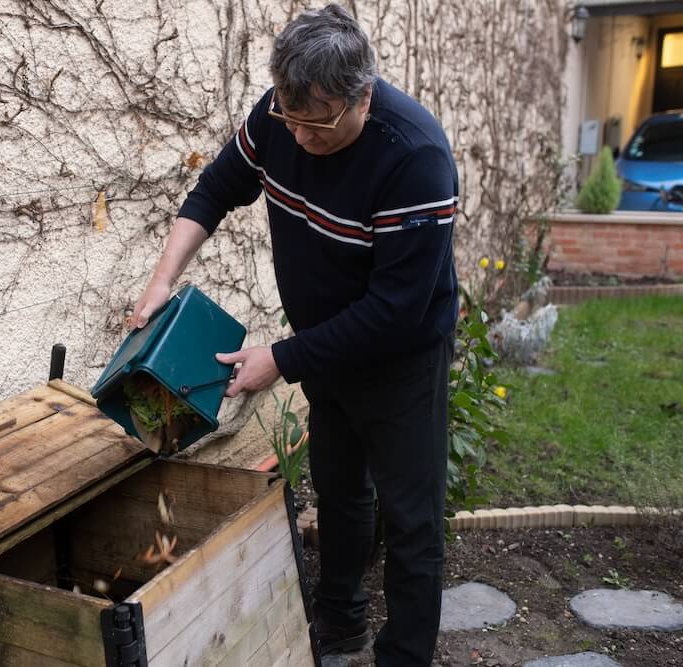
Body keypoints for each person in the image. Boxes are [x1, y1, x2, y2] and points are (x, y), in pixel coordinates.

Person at [130, 5, 457, 664]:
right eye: (291, 116)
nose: (301, 139)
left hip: (401, 361)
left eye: (318, 122)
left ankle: (405, 656)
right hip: (325, 348)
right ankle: (340, 624)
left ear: (363, 97)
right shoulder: (280, 115)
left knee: (411, 519)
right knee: (338, 490)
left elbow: (393, 312)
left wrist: (280, 357)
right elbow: (215, 189)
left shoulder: (415, 157)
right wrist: (162, 279)